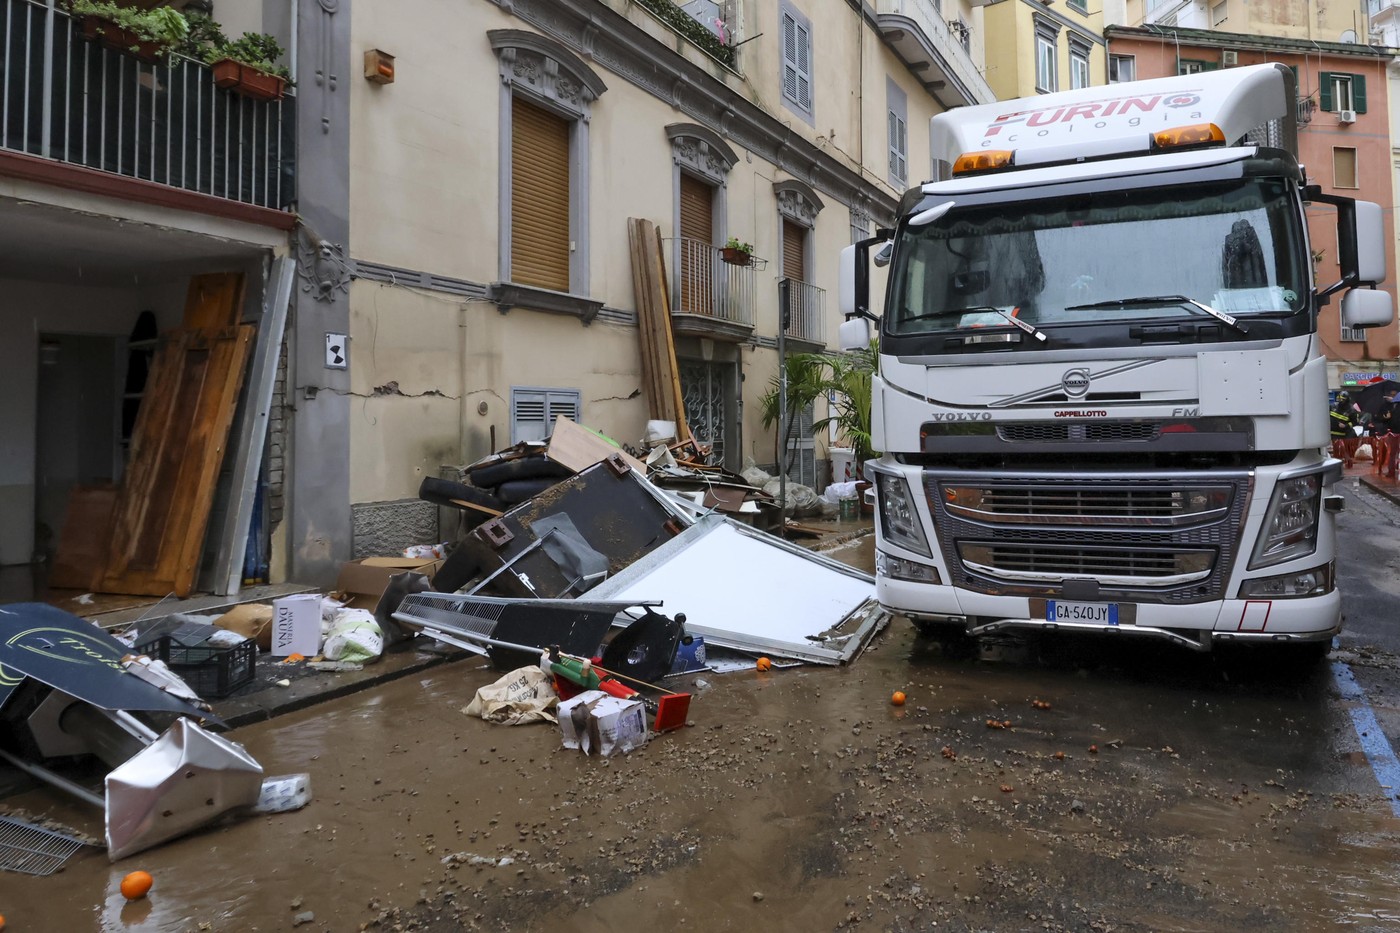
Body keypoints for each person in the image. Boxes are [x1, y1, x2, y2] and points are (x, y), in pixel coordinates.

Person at [1331, 393, 1356, 466]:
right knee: (1335, 449)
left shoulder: (1351, 410)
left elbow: (1355, 422)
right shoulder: (1333, 406)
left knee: (1343, 449)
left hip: (1343, 433)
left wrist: (1346, 425)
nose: (1340, 401)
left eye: (1342, 399)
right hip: (1332, 432)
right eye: (1339, 399)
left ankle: (1348, 460)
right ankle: (1336, 464)